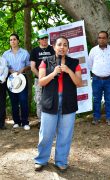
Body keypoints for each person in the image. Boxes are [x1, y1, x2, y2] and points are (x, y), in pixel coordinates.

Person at [34, 36, 82, 171]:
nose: (62, 47)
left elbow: (79, 83)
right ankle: (41, 160)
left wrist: (68, 71)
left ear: (68, 48)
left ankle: (61, 161)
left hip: (68, 102)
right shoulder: (45, 62)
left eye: (65, 45)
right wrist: (54, 73)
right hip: (50, 101)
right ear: (54, 47)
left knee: (65, 134)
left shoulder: (74, 63)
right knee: (46, 134)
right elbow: (41, 82)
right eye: (59, 44)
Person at [88, 31, 110, 126]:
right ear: (98, 39)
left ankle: (109, 118)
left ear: (107, 39)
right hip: (96, 79)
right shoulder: (93, 50)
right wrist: (97, 73)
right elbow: (90, 65)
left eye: (103, 38)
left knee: (109, 99)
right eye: (99, 37)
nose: (101, 40)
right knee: (96, 99)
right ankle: (96, 118)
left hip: (109, 79)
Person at [3, 33, 31, 130]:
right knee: (14, 101)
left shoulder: (25, 53)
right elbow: (4, 67)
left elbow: (29, 65)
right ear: (10, 42)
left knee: (23, 100)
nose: (13, 41)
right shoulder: (5, 54)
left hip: (22, 78)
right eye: (11, 40)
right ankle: (16, 122)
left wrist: (24, 68)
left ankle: (25, 122)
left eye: (14, 39)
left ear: (18, 41)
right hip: (10, 79)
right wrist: (10, 71)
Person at [30, 30, 55, 127]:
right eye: (42, 38)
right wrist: (41, 77)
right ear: (38, 40)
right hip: (38, 80)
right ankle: (41, 120)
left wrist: (50, 76)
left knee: (52, 98)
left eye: (46, 38)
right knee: (39, 100)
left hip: (51, 79)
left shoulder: (52, 49)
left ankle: (51, 119)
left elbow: (56, 63)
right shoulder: (34, 51)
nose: (44, 40)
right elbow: (32, 67)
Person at [0, 57, 8, 130]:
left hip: (1, 83)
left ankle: (1, 124)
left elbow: (5, 69)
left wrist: (2, 79)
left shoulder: (3, 59)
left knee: (2, 103)